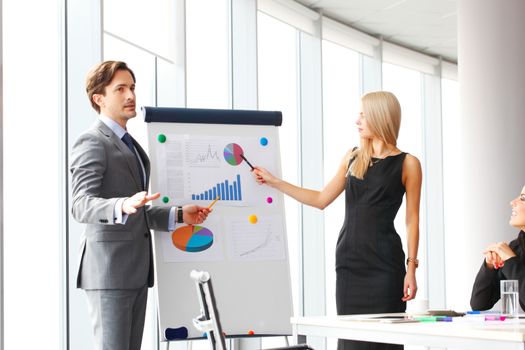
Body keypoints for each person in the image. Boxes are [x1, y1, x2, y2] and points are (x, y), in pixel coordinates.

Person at [253, 91, 422, 350]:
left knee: (385, 344)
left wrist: (411, 268)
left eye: (363, 115)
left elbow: (412, 219)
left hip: (386, 266)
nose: (358, 120)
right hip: (349, 263)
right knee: (351, 342)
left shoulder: (408, 163)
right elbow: (321, 199)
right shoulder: (353, 157)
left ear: (380, 116)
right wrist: (276, 182)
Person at [70, 60, 211, 350]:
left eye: (132, 87)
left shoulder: (131, 144)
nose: (130, 95)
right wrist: (122, 204)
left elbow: (139, 207)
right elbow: (80, 204)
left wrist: (180, 214)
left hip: (134, 270)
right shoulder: (92, 141)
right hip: (109, 271)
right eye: (120, 89)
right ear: (99, 98)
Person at [470, 185, 525, 311]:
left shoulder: (511, 255)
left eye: (523, 198)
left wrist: (510, 260)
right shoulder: (517, 247)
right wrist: (489, 266)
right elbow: (479, 304)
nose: (512, 202)